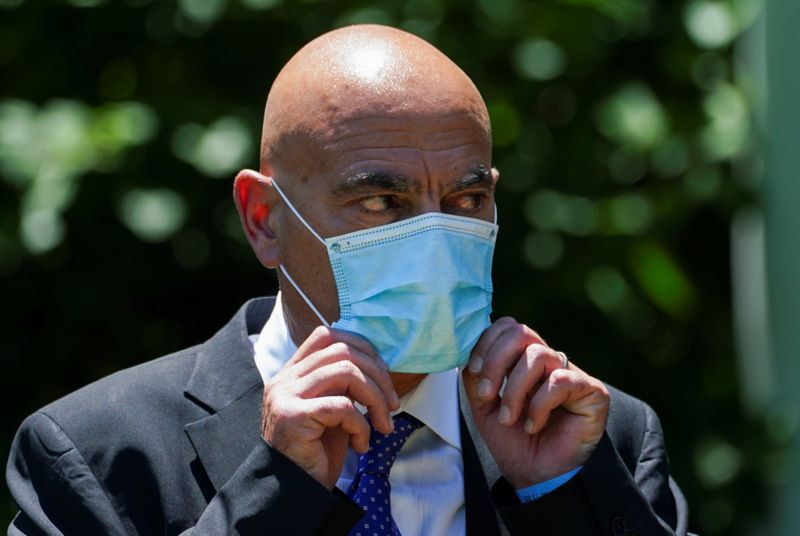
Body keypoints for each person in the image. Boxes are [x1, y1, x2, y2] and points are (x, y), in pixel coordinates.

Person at [6, 24, 692, 535]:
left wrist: (566, 496)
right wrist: (272, 494)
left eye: (466, 200)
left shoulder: (598, 438)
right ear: (264, 219)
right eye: (380, 202)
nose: (433, 236)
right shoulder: (96, 455)